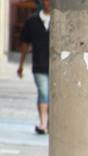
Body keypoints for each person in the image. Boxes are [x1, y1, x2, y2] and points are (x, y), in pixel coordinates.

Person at [16, 0, 50, 135]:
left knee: (51, 95)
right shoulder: (32, 21)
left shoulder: (61, 20)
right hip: (39, 64)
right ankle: (43, 123)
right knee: (43, 92)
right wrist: (21, 65)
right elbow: (25, 43)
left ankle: (48, 122)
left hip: (57, 67)